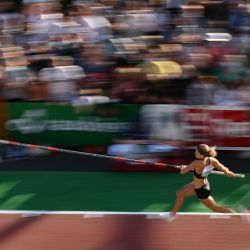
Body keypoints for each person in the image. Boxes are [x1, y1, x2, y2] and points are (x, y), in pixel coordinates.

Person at [170, 144, 236, 218]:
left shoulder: (196, 163)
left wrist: (183, 167)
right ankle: (172, 215)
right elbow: (222, 167)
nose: (195, 152)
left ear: (201, 155)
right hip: (200, 185)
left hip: (201, 191)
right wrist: (227, 171)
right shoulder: (212, 160)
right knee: (179, 193)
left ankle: (237, 215)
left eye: (196, 151)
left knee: (215, 208)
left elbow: (182, 172)